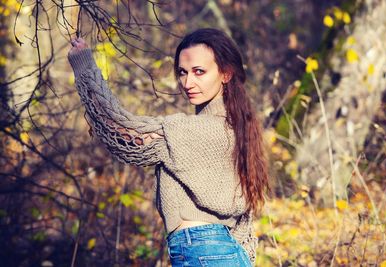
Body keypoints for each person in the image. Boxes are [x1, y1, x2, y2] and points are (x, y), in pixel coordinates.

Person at [68, 28, 269, 267]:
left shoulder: (194, 130)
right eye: (182, 73)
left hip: (205, 250)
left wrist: (84, 65)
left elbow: (118, 129)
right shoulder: (233, 126)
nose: (187, 82)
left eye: (199, 72)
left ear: (225, 73)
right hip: (218, 252)